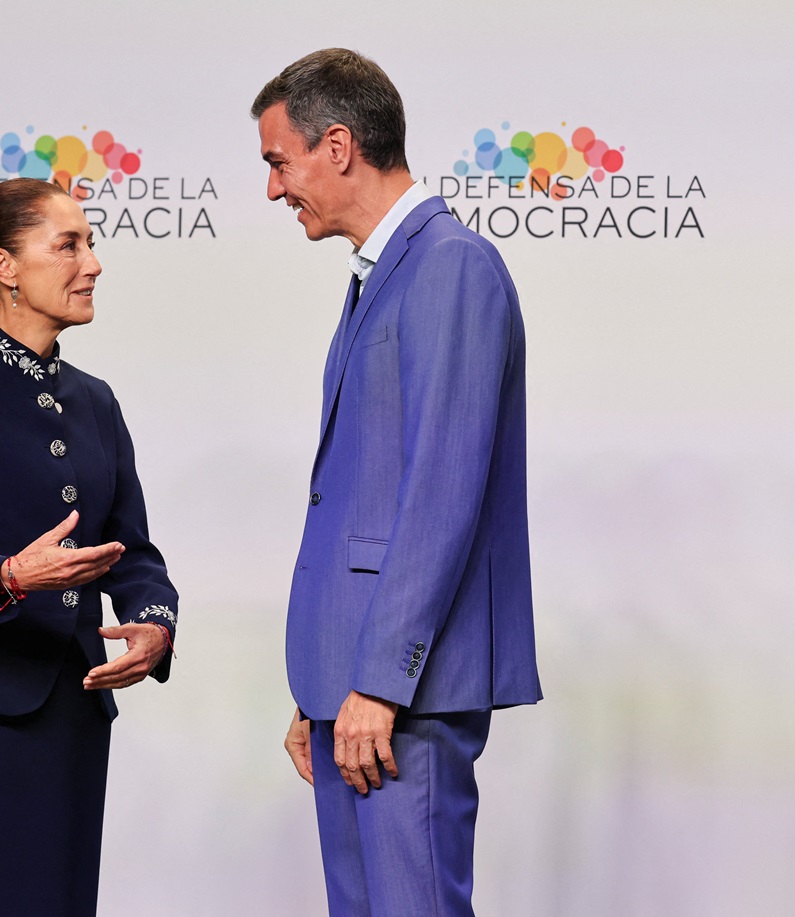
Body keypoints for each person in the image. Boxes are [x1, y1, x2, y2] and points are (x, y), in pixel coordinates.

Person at [252, 49, 542, 916]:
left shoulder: (450, 265)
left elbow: (441, 495)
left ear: (337, 145)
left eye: (279, 162)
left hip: (399, 694)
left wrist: (377, 680)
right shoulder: (384, 272)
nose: (273, 190)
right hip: (352, 689)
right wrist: (323, 687)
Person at [0, 176, 179, 917]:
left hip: (71, 714)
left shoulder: (96, 399)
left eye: (90, 242)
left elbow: (135, 549)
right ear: (5, 265)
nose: (92, 262)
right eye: (69, 244)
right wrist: (12, 574)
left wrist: (154, 621)